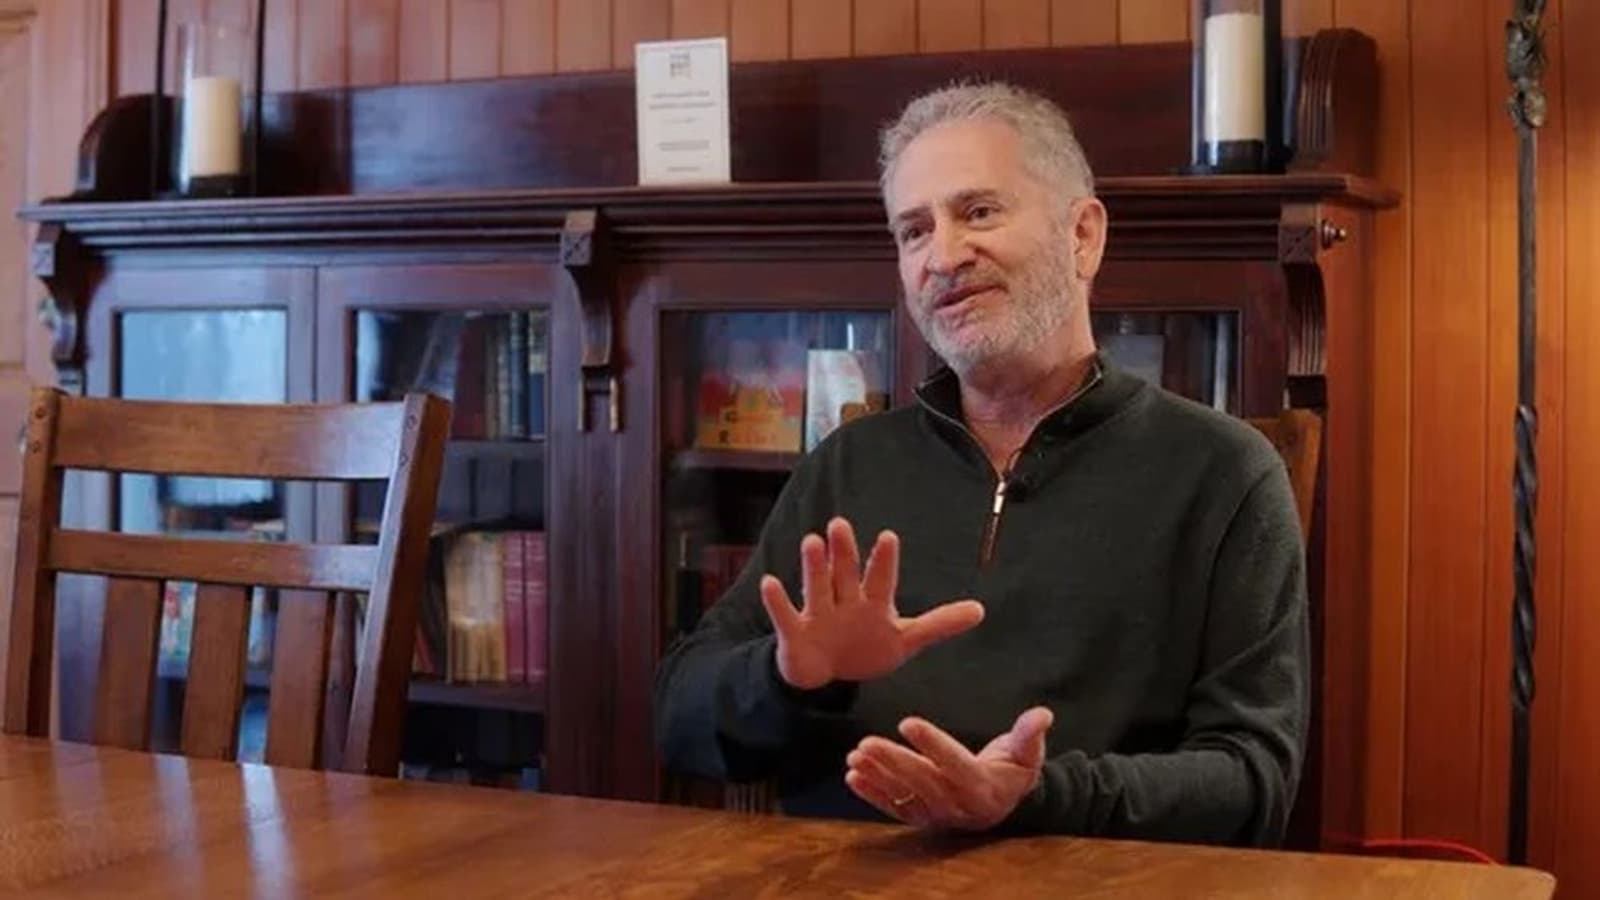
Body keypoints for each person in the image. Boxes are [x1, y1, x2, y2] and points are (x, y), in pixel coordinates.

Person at [653, 81, 1309, 847]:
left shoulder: (1224, 472)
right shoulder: (849, 465)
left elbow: (1253, 781)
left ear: (1083, 236)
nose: (944, 256)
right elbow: (677, 719)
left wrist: (1033, 795)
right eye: (913, 231)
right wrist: (788, 676)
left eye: (979, 212)